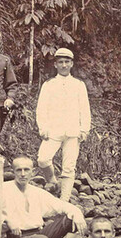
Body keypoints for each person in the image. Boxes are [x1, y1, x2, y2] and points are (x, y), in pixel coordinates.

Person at [35, 46, 91, 201]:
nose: (64, 65)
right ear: (55, 64)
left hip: (73, 132)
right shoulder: (49, 85)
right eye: (61, 62)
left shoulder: (79, 85)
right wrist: (43, 128)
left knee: (68, 167)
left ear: (72, 64)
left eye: (67, 62)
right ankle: (52, 181)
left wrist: (84, 129)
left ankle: (64, 200)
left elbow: (85, 109)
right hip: (53, 130)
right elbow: (41, 108)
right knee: (43, 159)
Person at [1, 156, 86, 238]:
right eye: (19, 170)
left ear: (32, 172)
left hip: (38, 233)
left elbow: (60, 205)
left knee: (73, 219)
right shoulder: (3, 189)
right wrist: (8, 220)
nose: (23, 174)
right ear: (13, 171)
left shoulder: (37, 192)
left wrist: (77, 213)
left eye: (26, 170)